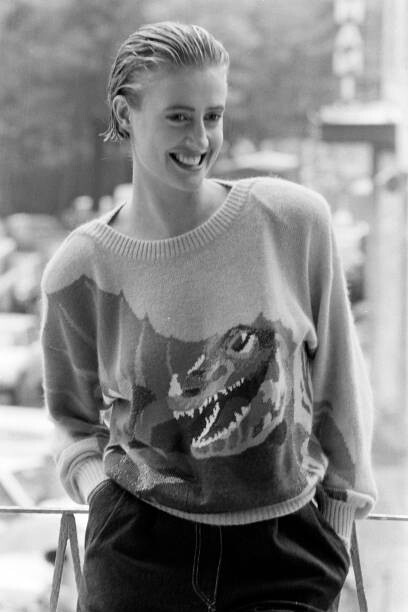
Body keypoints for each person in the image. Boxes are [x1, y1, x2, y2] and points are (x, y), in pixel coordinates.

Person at [40, 21, 377, 612]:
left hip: (284, 557)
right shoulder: (82, 267)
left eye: (213, 116)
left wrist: (339, 519)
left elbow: (340, 385)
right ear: (125, 115)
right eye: (178, 116)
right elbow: (72, 420)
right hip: (139, 555)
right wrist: (102, 498)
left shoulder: (293, 222)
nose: (199, 138)